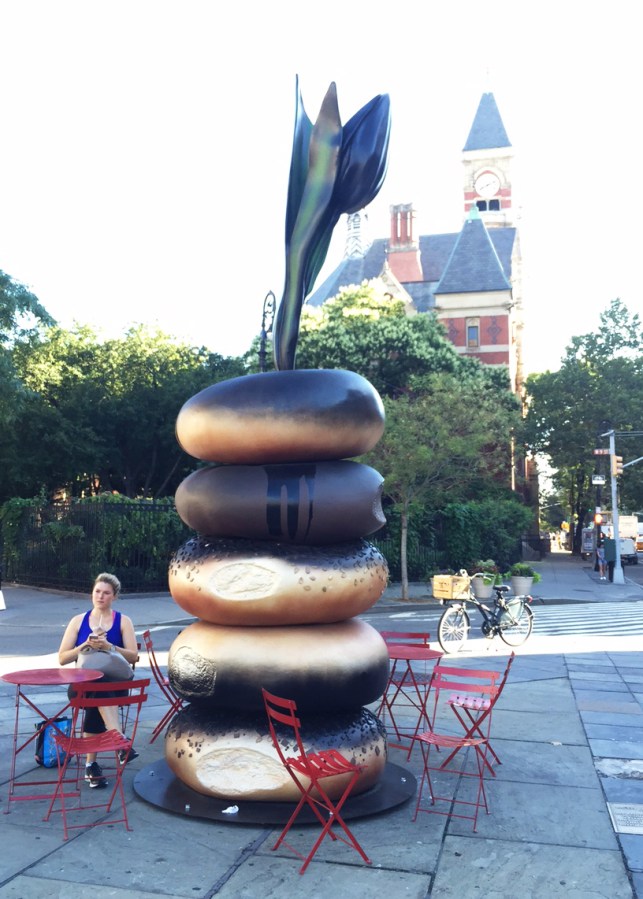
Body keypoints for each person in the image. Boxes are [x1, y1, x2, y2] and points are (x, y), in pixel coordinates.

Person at [58, 572, 139, 788]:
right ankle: (119, 742)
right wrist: (85, 645)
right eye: (97, 591)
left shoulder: (123, 621)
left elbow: (133, 656)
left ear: (115, 596)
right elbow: (63, 658)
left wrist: (109, 647)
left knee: (98, 691)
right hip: (82, 684)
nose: (100, 596)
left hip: (114, 685)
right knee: (97, 687)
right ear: (91, 593)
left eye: (106, 593)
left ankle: (91, 765)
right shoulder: (78, 621)